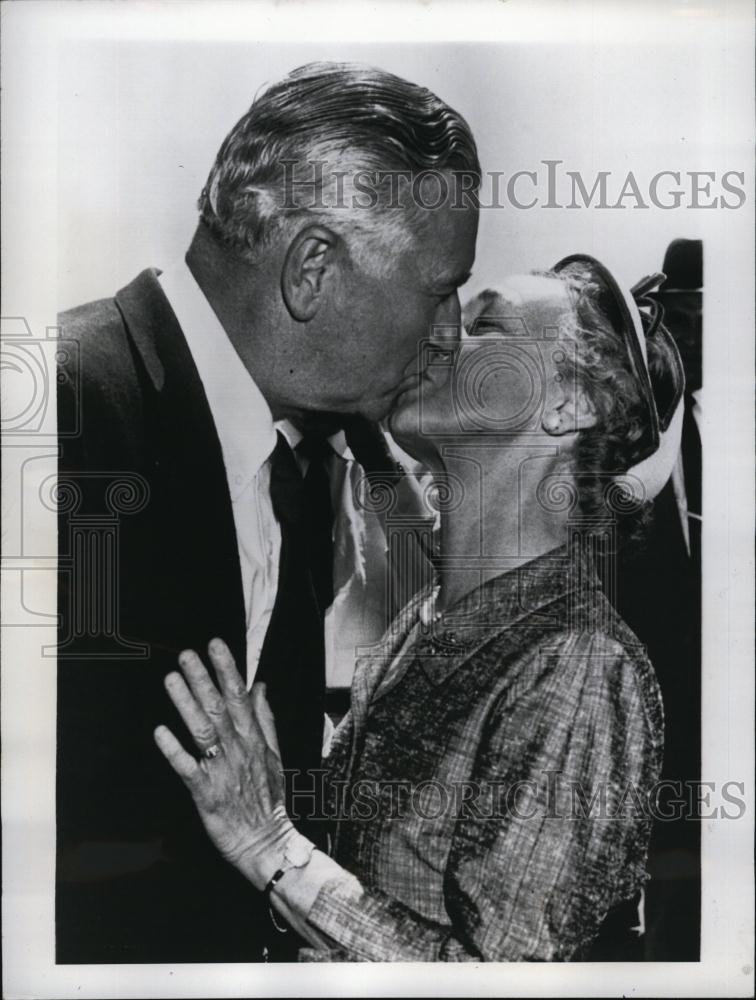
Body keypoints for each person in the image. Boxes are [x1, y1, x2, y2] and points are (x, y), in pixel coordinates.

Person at [55, 62, 479, 962]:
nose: (448, 332)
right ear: (312, 268)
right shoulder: (60, 415)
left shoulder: (294, 461)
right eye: (439, 288)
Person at [155, 255, 685, 961]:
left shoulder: (581, 666)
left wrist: (273, 845)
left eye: (483, 326)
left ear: (570, 406)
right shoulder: (421, 624)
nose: (435, 336)